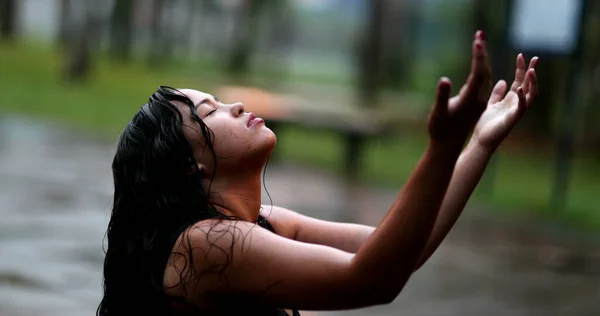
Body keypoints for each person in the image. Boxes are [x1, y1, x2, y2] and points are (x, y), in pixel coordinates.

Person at [97, 31, 538, 316]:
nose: (233, 105)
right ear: (190, 164)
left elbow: (402, 250)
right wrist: (441, 149)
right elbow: (372, 279)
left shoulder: (267, 222)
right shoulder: (210, 244)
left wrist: (478, 143)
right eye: (210, 112)